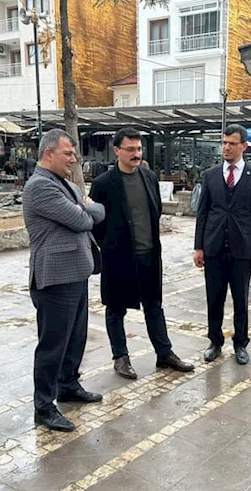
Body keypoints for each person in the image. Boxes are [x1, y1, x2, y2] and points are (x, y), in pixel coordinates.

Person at [90, 127, 194, 380]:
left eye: (139, 149)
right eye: (130, 149)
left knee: (154, 306)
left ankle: (164, 353)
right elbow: (95, 221)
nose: (136, 154)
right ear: (117, 151)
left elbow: (155, 210)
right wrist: (111, 246)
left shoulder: (148, 177)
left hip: (149, 255)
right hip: (119, 258)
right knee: (116, 308)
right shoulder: (104, 183)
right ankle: (120, 357)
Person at [22, 129, 105, 433]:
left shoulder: (65, 184)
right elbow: (83, 219)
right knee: (52, 345)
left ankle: (68, 385)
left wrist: (85, 207)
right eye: (68, 153)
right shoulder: (40, 187)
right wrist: (85, 208)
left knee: (76, 338)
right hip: (55, 278)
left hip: (77, 273)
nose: (74, 159)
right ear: (48, 154)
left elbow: (97, 210)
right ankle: (44, 407)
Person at [193, 124, 251, 365]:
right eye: (224, 143)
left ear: (243, 146)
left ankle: (241, 343)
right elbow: (202, 213)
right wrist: (199, 247)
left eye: (231, 143)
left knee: (241, 300)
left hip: (242, 249)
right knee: (213, 298)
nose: (226, 147)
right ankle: (215, 341)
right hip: (213, 247)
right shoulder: (210, 175)